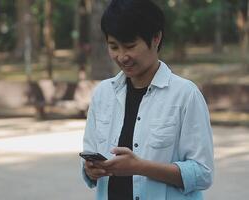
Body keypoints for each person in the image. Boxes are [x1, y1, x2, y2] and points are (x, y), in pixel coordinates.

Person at [81, 0, 214, 200]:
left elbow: (203, 173)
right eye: (114, 47)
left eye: (130, 46)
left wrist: (141, 168)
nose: (122, 56)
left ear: (156, 38)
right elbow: (89, 157)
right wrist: (90, 170)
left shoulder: (185, 95)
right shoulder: (103, 94)